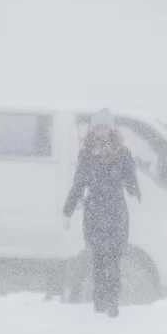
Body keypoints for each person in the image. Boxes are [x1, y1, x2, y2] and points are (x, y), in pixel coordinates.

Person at [62, 109, 140, 316]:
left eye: (105, 128)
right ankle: (99, 303)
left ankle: (112, 301)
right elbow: (78, 184)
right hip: (95, 213)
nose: (101, 132)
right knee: (97, 260)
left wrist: (136, 196)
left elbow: (131, 182)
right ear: (92, 130)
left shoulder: (123, 153)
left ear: (111, 130)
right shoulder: (86, 154)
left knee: (113, 260)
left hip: (115, 213)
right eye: (98, 128)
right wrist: (67, 210)